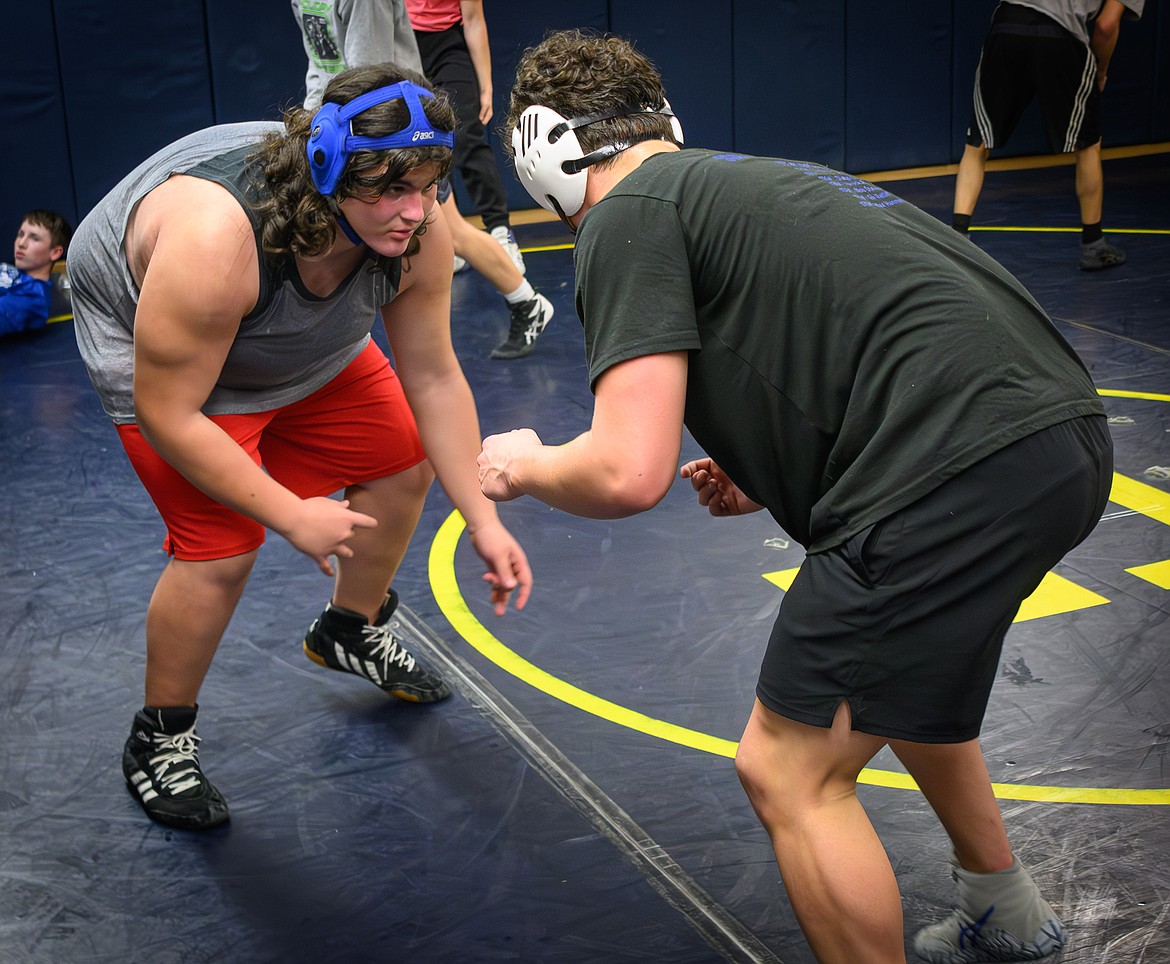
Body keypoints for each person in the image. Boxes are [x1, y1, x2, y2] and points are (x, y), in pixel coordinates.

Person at [478, 29, 1112, 964]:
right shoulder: (758, 178)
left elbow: (625, 471)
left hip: (945, 465)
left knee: (787, 768)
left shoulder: (626, 214)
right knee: (897, 683)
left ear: (541, 153)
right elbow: (847, 333)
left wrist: (527, 461)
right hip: (1060, 441)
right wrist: (766, 461)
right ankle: (1002, 903)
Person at [69, 64, 533, 831]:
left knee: (403, 455)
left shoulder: (415, 224)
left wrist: (483, 517)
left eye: (426, 185)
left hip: (290, 321)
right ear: (326, 170)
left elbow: (436, 377)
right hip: (161, 340)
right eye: (388, 187)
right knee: (222, 546)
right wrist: (289, 512)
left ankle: (349, 627)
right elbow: (170, 413)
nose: (412, 211)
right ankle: (159, 737)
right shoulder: (215, 239)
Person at [292, 0, 554, 359]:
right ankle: (526, 301)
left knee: (452, 232)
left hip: (393, 137)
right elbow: (320, 64)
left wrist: (347, 137)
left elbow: (372, 77)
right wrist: (313, 125)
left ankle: (527, 301)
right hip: (345, 131)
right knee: (451, 233)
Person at [952, 0, 1145, 271]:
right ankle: (1093, 245)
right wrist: (1100, 71)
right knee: (1087, 144)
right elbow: (1105, 25)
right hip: (1062, 33)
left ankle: (958, 236)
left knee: (977, 142)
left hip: (1008, 26)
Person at [405, 0, 527, 271]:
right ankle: (443, 240)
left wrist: (486, 86)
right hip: (403, 43)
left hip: (447, 45)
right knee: (422, 146)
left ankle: (500, 232)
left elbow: (473, 20)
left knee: (465, 135)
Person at [1, 209, 72, 337]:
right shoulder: (11, 271)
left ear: (55, 252)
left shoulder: (33, 299)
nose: (21, 243)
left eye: (35, 239)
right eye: (20, 234)